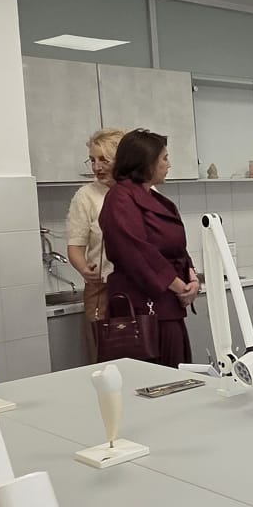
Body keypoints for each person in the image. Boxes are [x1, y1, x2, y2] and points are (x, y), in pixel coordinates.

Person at [98, 129, 198, 367]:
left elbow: (175, 246)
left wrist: (192, 277)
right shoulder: (120, 198)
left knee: (178, 372)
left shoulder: (155, 199)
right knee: (160, 378)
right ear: (146, 162)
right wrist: (180, 287)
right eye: (164, 158)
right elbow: (136, 252)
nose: (168, 164)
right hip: (143, 309)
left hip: (168, 305)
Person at [67, 128, 125, 360]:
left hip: (138, 286)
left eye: (104, 160)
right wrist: (84, 269)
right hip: (102, 288)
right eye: (92, 160)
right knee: (103, 356)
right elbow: (75, 246)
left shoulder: (144, 190)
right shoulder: (86, 196)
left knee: (143, 351)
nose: (96, 167)